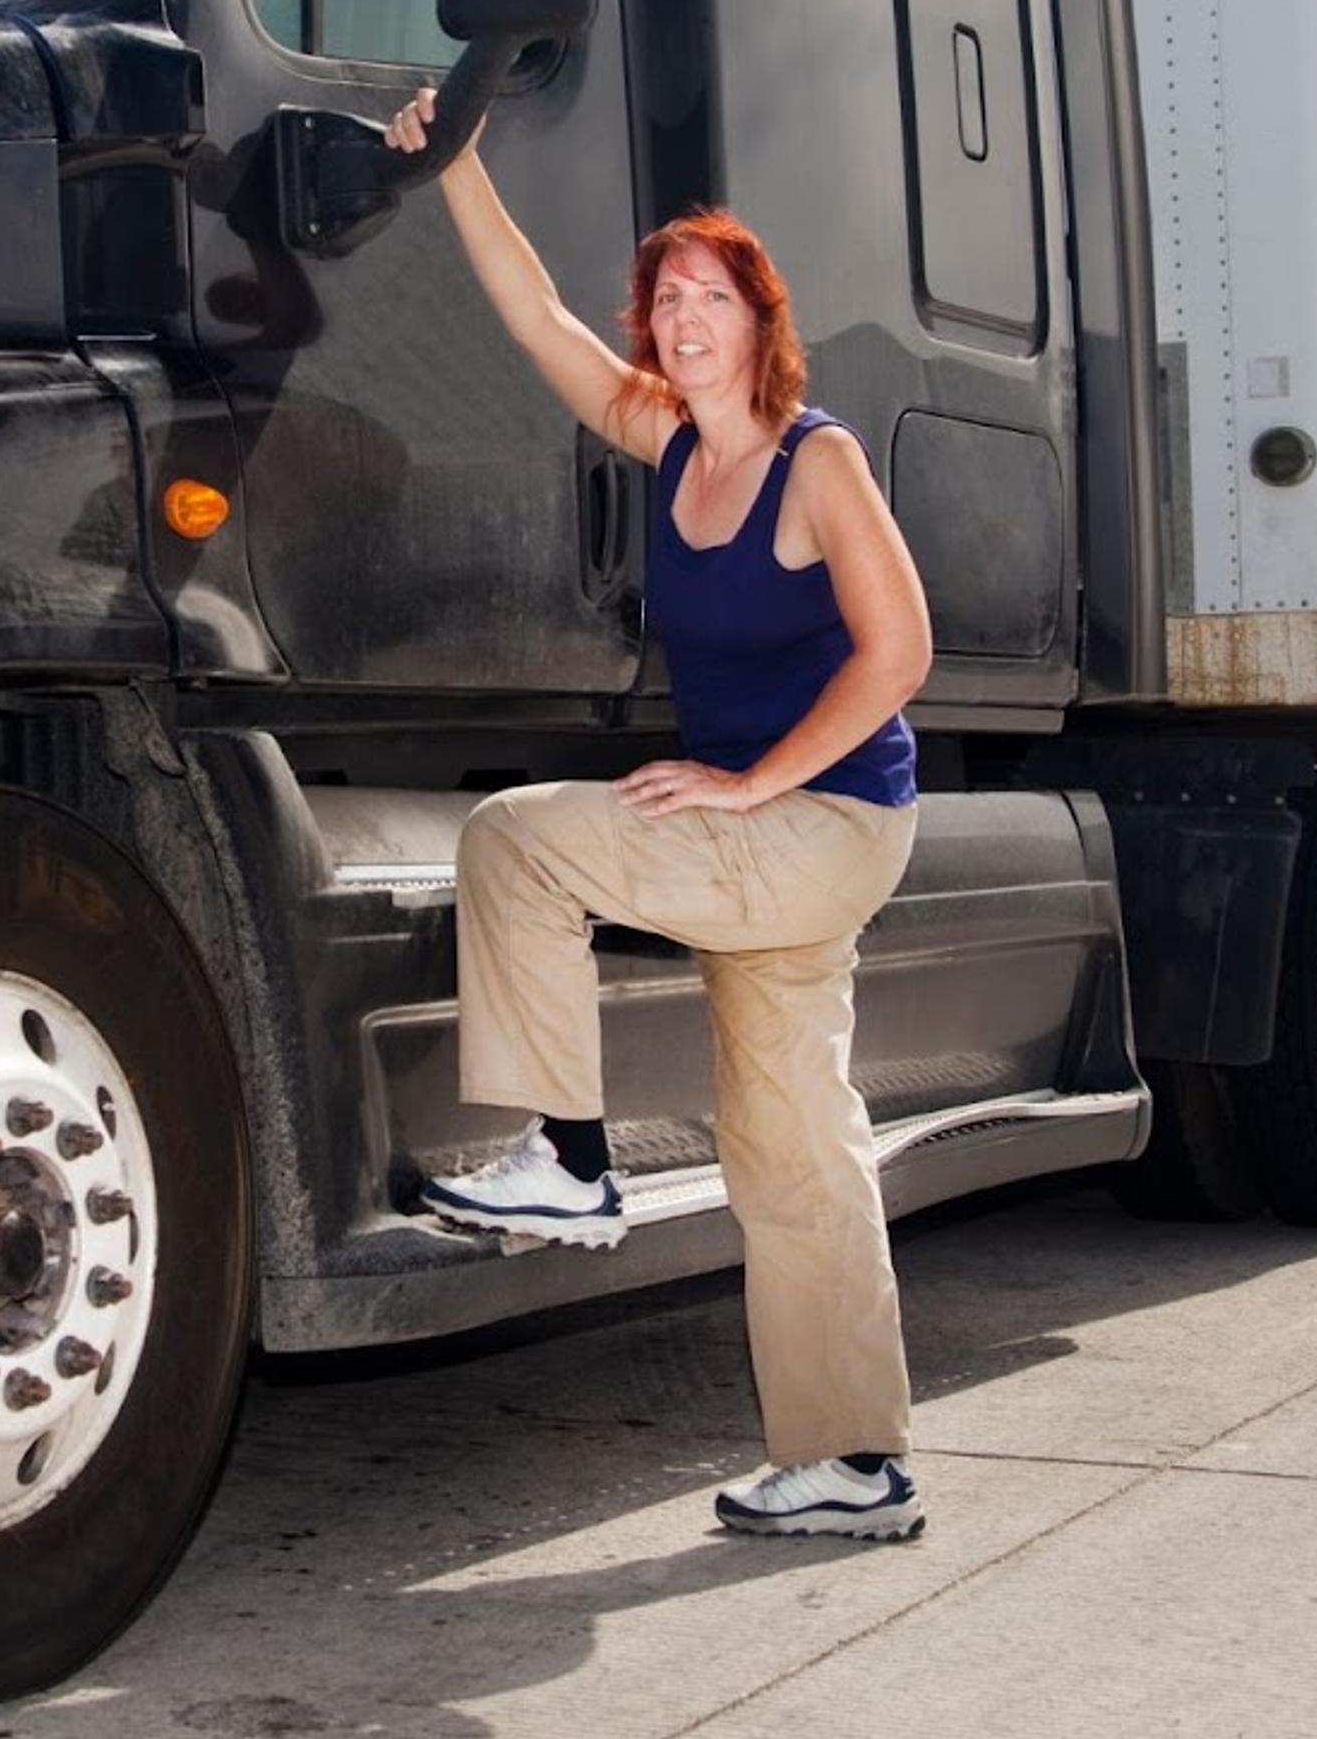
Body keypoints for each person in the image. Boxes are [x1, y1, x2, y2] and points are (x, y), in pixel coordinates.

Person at [388, 84, 934, 1543]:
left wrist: (757, 781)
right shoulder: (672, 441)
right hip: (766, 845)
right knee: (792, 1140)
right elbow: (535, 320)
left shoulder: (814, 460)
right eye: (666, 297)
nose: (684, 315)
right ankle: (852, 1459)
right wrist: (460, 166)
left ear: (763, 321)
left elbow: (901, 655)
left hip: (826, 827)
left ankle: (569, 1156)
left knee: (521, 835)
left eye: (712, 295)